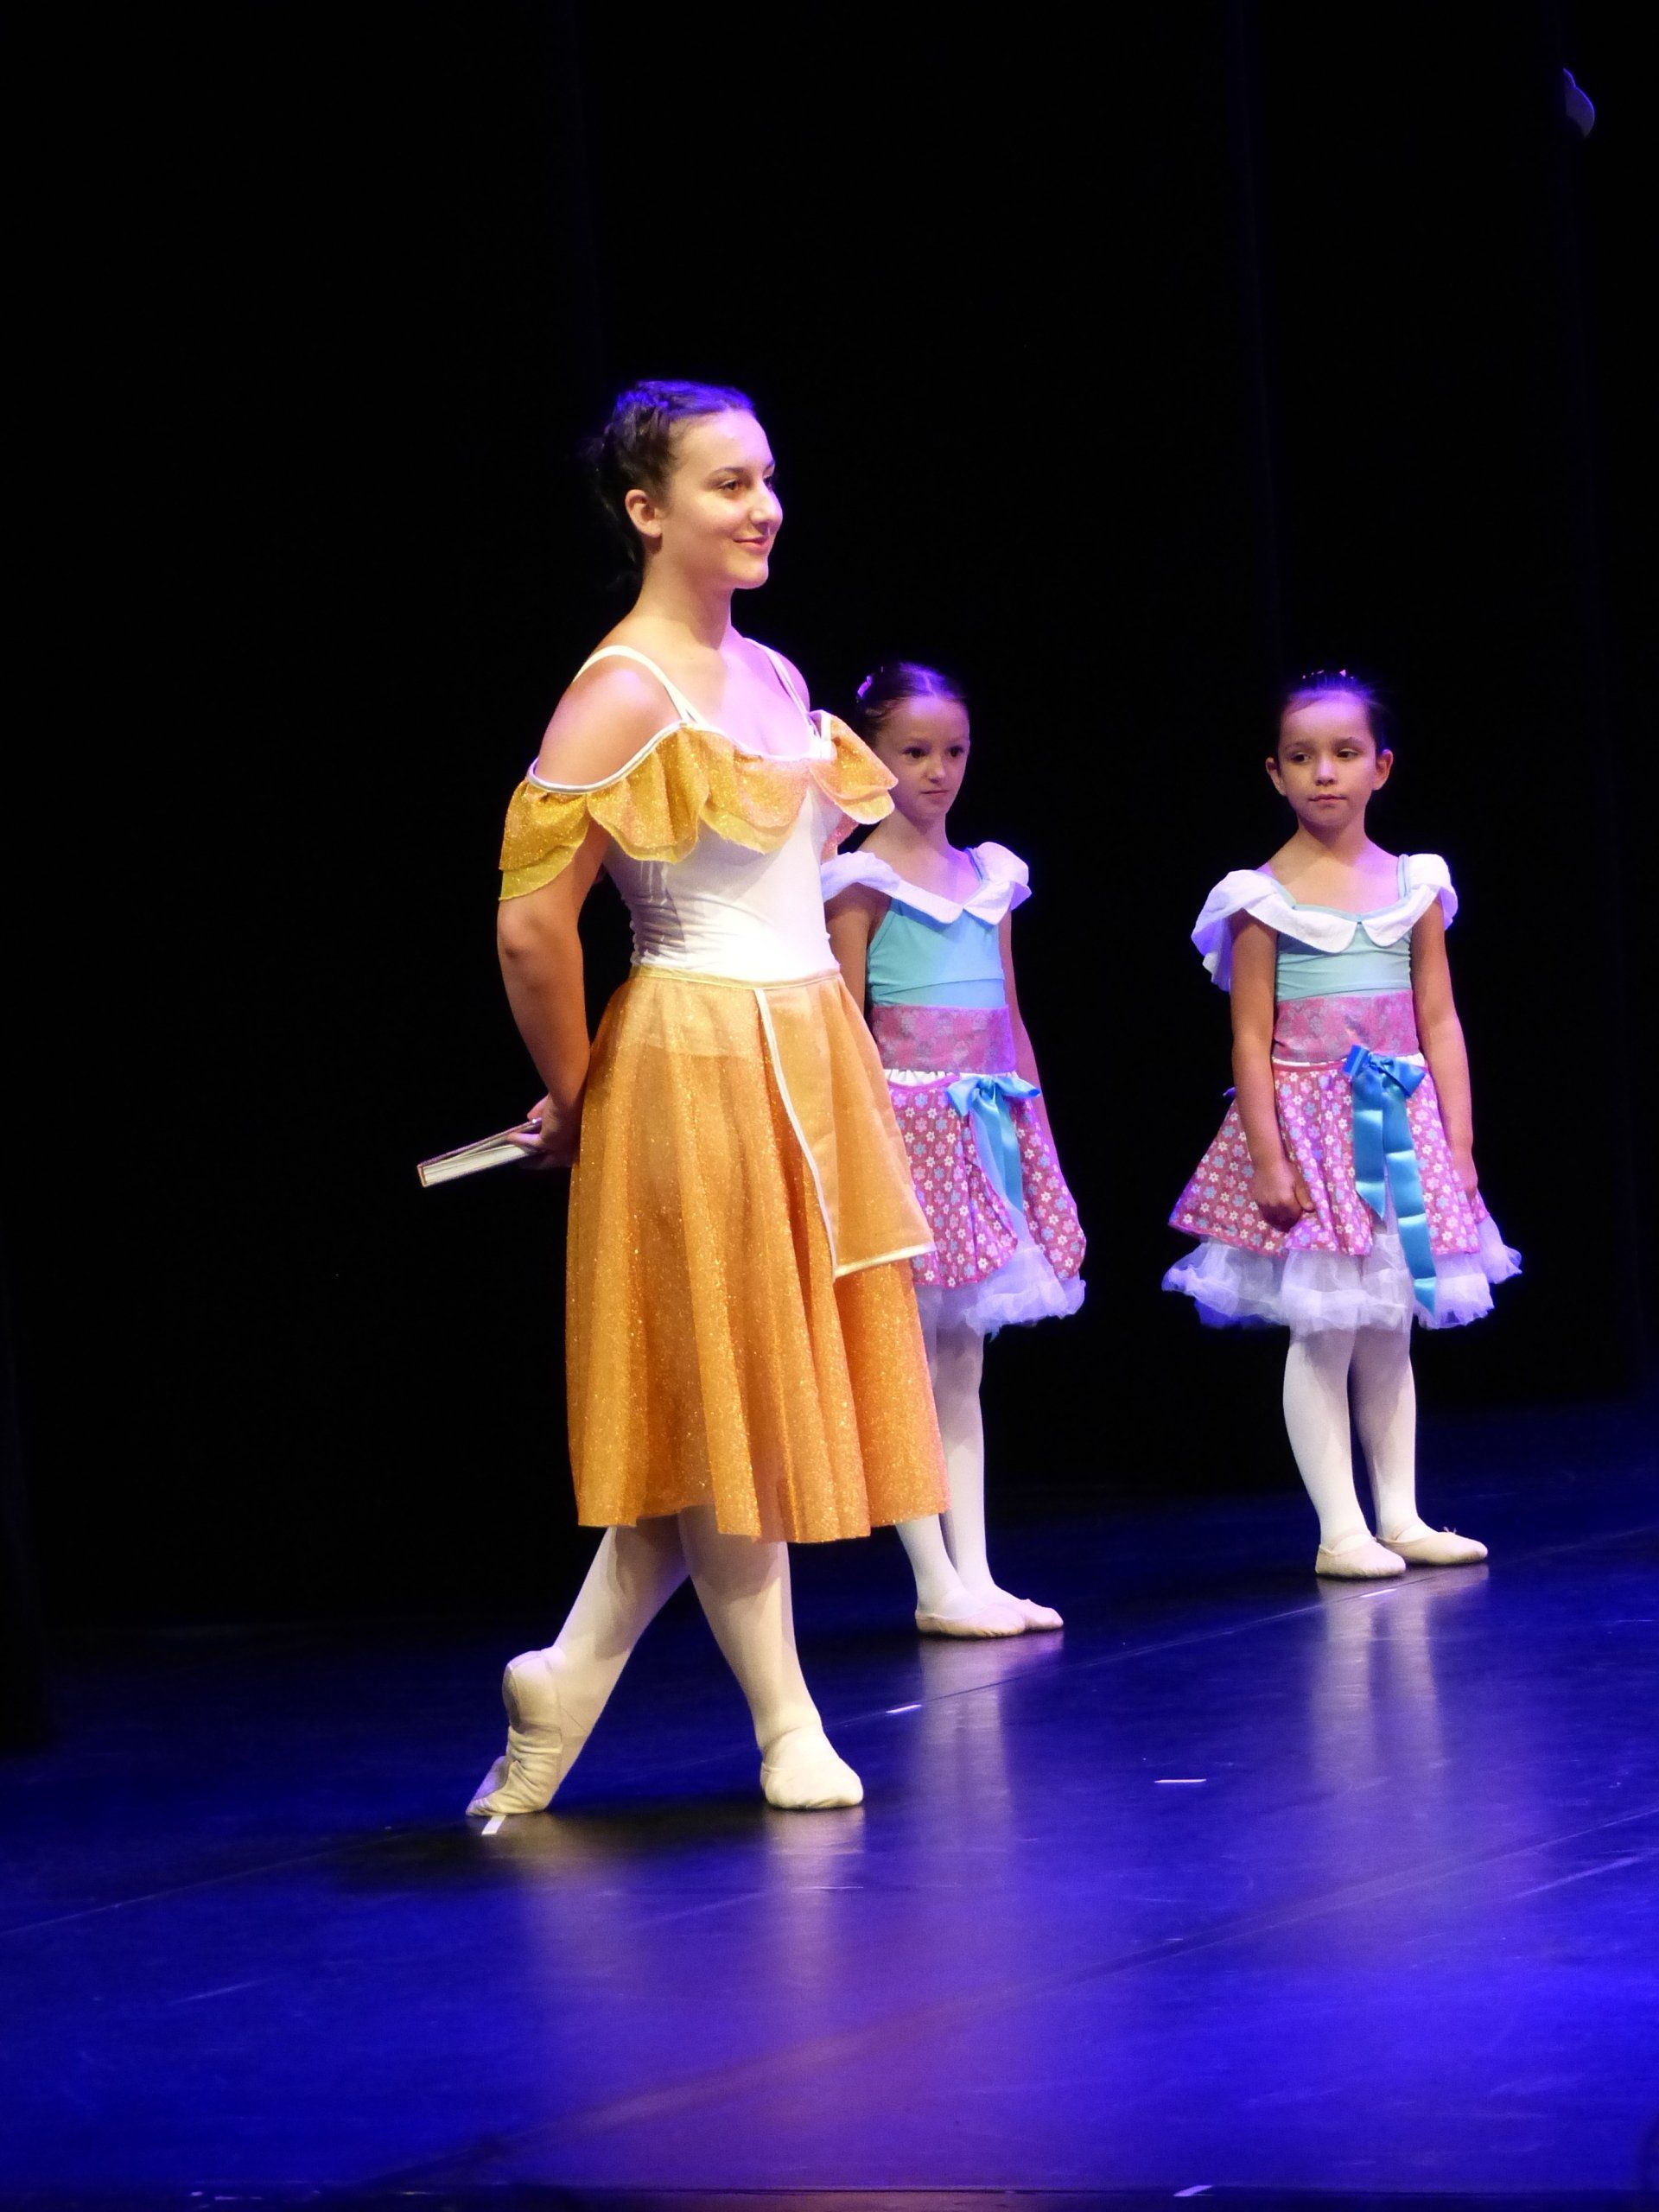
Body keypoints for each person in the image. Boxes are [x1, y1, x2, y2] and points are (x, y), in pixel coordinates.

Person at [469, 381, 948, 1817]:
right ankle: (787, 1722)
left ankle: (566, 1680)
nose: (763, 507)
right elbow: (531, 926)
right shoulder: (623, 690)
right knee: (729, 1395)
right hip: (694, 1052)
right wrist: (579, 1094)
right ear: (647, 510)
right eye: (728, 484)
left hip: (802, 1046)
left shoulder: (778, 678)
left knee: (731, 1407)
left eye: (767, 479)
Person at [1163, 671, 1520, 1578]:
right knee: (1322, 1326)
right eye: (1302, 757)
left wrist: (1459, 1142)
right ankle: (1340, 1529)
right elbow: (1250, 1039)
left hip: (1400, 1123)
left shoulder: (1413, 884)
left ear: (1381, 767)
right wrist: (1268, 1158)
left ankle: (1400, 1514)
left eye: (1345, 753)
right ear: (1275, 773)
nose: (1324, 772)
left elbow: (1439, 1018)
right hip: (1309, 1128)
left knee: (1390, 1323)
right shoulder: (1258, 897)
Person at [823, 663, 1084, 1638]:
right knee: (907, 1359)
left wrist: (1034, 1130)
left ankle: (974, 1571)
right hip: (905, 1137)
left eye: (954, 751)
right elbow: (844, 1031)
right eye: (914, 752)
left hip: (986, 1132)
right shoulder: (859, 881)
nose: (938, 771)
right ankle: (933, 1579)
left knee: (963, 1361)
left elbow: (1010, 1016)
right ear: (872, 756)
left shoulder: (991, 878)